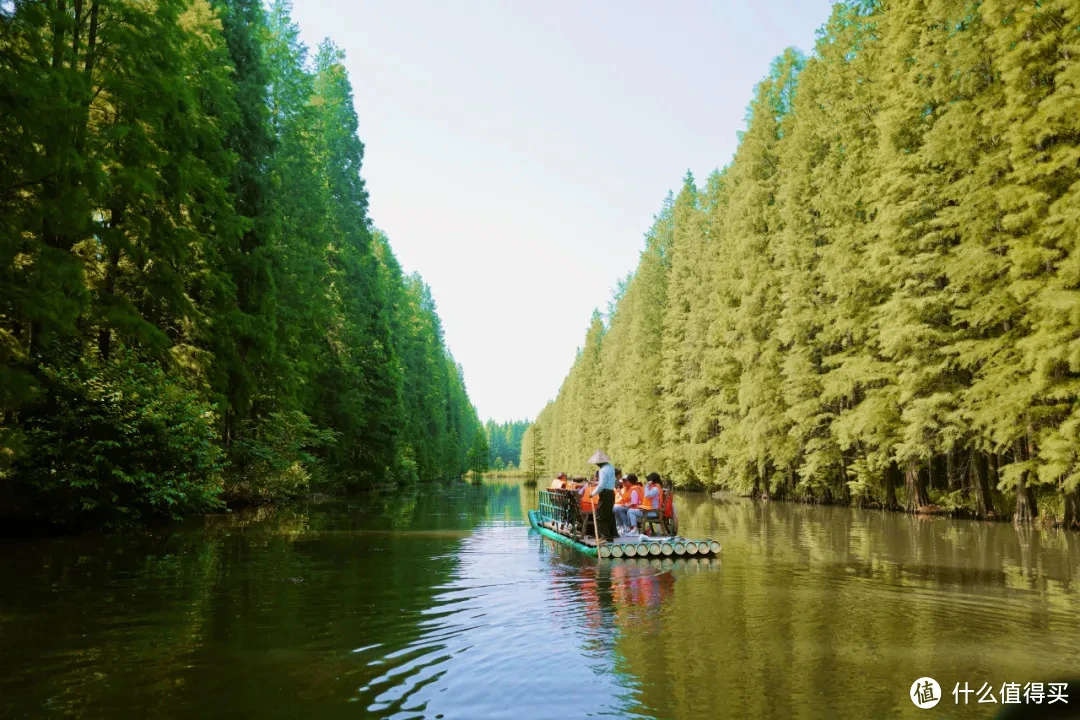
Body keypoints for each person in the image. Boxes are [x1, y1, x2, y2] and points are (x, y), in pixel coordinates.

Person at [586, 450, 618, 542]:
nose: (596, 464)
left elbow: (602, 485)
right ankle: (606, 536)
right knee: (606, 515)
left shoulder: (602, 470)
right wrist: (594, 482)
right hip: (611, 493)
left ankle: (606, 537)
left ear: (599, 462)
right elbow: (606, 481)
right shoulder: (611, 467)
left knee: (599, 516)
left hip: (605, 494)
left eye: (597, 463)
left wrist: (592, 493)